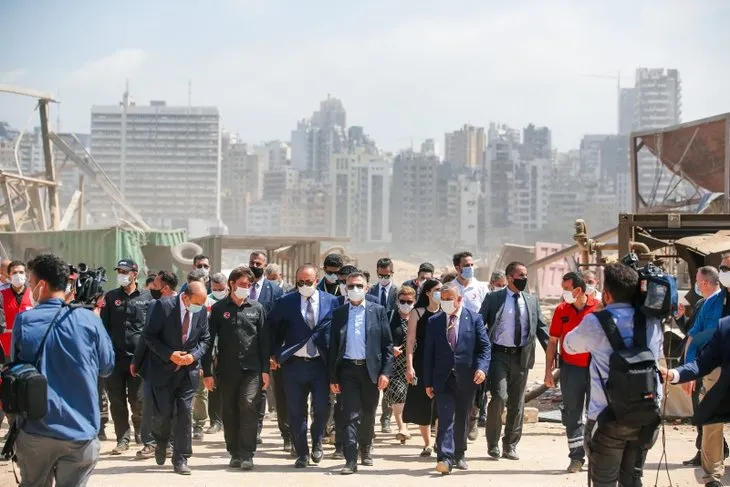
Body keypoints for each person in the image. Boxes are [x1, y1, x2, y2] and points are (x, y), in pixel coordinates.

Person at [12, 254, 114, 486]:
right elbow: (107, 367)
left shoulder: (24, 321)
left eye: (29, 282)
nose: (27, 287)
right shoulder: (90, 320)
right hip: (81, 432)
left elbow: (15, 368)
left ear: (41, 285)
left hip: (36, 431)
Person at [564, 263, 663, 487]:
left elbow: (569, 346)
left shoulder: (594, 322)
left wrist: (598, 312)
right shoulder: (652, 322)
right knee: (633, 479)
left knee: (604, 482)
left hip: (607, 418)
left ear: (606, 294)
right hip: (646, 415)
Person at [269, 264, 339, 467]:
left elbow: (336, 333)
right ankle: (301, 452)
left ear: (316, 280)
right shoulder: (286, 301)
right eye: (300, 282)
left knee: (322, 407)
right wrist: (274, 353)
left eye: (308, 282)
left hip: (320, 365)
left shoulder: (332, 302)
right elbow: (274, 328)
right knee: (296, 411)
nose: (304, 286)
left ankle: (317, 441)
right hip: (294, 364)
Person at [479, 261, 549, 460]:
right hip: (498, 356)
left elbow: (541, 329)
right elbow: (479, 323)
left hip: (522, 356)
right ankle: (492, 442)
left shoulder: (531, 301)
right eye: (520, 275)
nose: (524, 279)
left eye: (525, 275)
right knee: (499, 397)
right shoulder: (494, 298)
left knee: (517, 403)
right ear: (509, 278)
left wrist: (553, 353)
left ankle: (510, 444)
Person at [203, 267, 269, 470]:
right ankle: (234, 452)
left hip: (252, 369)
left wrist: (265, 370)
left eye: (248, 285)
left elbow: (264, 341)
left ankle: (247, 453)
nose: (245, 288)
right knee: (229, 410)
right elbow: (208, 341)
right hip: (227, 369)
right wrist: (207, 372)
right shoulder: (219, 309)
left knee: (248, 405)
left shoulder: (257, 309)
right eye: (242, 285)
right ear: (231, 284)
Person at [329, 272, 394, 475]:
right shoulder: (339, 313)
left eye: (358, 285)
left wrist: (385, 372)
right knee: (349, 415)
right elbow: (333, 347)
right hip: (348, 370)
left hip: (370, 371)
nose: (354, 289)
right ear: (345, 289)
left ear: (367, 288)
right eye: (350, 286)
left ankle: (365, 448)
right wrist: (333, 377)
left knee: (368, 413)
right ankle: (350, 459)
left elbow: (387, 345)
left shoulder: (378, 311)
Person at [144, 281, 211, 475]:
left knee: (184, 412)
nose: (199, 307)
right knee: (163, 414)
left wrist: (194, 356)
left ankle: (181, 458)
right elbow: (149, 337)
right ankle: (161, 441)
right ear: (185, 297)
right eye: (197, 302)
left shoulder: (201, 311)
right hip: (163, 370)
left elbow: (205, 339)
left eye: (203, 303)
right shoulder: (163, 307)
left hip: (188, 372)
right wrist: (169, 354)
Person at [423, 282, 490, 475]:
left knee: (462, 417)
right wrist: (427, 381)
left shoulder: (474, 319)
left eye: (449, 299)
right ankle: (445, 457)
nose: (445, 303)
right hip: (442, 378)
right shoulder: (434, 321)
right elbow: (429, 353)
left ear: (459, 299)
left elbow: (484, 348)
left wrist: (482, 368)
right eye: (442, 299)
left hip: (467, 377)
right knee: (445, 417)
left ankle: (459, 454)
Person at [664, 314, 730, 487]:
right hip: (726, 395)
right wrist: (675, 374)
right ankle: (712, 478)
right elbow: (703, 362)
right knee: (711, 424)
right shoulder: (725, 326)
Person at [544, 271, 598, 473]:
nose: (564, 293)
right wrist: (548, 372)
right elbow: (552, 342)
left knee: (596, 414)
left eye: (566, 289)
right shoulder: (561, 310)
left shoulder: (598, 308)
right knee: (572, 414)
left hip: (595, 369)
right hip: (570, 370)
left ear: (578, 290)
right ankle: (576, 458)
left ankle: (596, 457)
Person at [99, 259, 153, 454]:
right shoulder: (111, 297)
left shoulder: (148, 298)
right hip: (115, 359)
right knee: (117, 400)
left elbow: (151, 330)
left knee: (138, 400)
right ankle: (123, 438)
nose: (122, 274)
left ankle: (139, 428)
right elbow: (103, 328)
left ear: (135, 274)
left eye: (125, 271)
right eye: (119, 271)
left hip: (138, 360)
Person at [132, 270, 178, 460]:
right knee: (149, 403)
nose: (152, 289)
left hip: (178, 365)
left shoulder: (183, 304)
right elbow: (146, 335)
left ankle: (170, 444)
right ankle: (150, 443)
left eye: (156, 286)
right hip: (154, 364)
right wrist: (137, 361)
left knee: (173, 406)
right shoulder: (153, 305)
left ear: (165, 288)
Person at [404, 279, 442, 457]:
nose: (440, 293)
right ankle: (427, 443)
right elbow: (410, 341)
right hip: (421, 363)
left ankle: (439, 442)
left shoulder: (445, 312)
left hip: (441, 362)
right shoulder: (417, 313)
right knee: (423, 404)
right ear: (427, 293)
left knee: (441, 403)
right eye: (437, 290)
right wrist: (409, 366)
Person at [367, 257, 398, 433]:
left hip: (392, 340)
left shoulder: (398, 292)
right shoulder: (370, 291)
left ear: (392, 273)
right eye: (380, 274)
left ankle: (386, 417)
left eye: (387, 274)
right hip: (374, 341)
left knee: (389, 379)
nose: (384, 277)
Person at [386, 286, 416, 442]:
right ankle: (402, 428)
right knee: (398, 394)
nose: (405, 304)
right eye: (402, 301)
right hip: (394, 364)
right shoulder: (389, 317)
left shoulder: (418, 318)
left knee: (411, 396)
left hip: (414, 363)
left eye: (409, 301)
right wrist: (390, 349)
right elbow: (381, 337)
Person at [0, 260, 33, 362]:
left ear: (26, 275)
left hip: (29, 346)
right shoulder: (1, 295)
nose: (18, 275)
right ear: (9, 276)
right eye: (14, 273)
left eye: (21, 272)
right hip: (6, 348)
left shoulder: (33, 294)